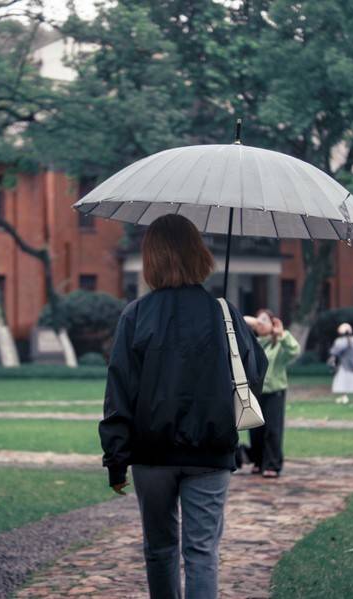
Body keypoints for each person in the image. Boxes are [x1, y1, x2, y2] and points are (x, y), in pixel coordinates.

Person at [99, 214, 268, 599]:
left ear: (151, 258)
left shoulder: (135, 316)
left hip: (151, 453)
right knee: (202, 552)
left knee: (159, 550)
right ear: (199, 254)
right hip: (211, 449)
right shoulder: (223, 313)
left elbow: (119, 394)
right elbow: (254, 374)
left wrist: (116, 460)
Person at [242, 309, 300, 478]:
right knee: (255, 430)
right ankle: (258, 462)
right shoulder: (251, 343)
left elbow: (294, 351)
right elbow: (244, 320)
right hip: (255, 392)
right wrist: (258, 321)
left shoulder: (279, 345)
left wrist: (282, 334)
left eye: (265, 319)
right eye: (258, 319)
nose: (260, 322)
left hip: (274, 393)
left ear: (273, 323)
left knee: (272, 430)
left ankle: (273, 465)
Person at [329, 323, 353, 404]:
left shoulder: (340, 341)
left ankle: (344, 396)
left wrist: (332, 360)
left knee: (342, 380)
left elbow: (335, 351)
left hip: (345, 364)